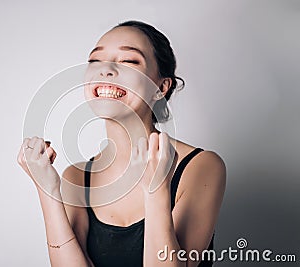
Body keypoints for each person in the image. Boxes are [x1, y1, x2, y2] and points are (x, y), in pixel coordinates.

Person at [17, 20, 226, 267]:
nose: (106, 69)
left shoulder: (200, 166)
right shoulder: (78, 177)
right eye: (95, 61)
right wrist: (48, 191)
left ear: (161, 87)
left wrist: (156, 192)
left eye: (129, 61)